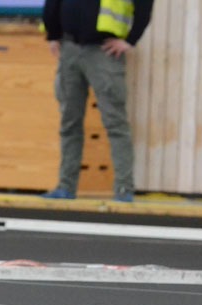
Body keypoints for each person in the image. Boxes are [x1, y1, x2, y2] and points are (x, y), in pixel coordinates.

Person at [41, 0, 154, 202]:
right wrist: (53, 34)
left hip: (103, 51)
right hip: (69, 47)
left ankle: (124, 189)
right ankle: (66, 187)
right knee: (69, 123)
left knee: (115, 123)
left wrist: (131, 40)